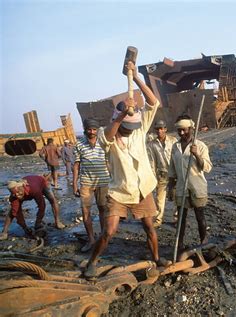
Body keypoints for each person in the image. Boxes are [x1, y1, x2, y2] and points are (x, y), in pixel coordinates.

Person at [83, 61, 170, 279]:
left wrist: (136, 76)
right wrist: (122, 115)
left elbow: (153, 102)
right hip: (120, 191)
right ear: (118, 122)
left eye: (132, 126)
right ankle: (92, 262)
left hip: (142, 189)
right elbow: (110, 135)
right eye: (126, 127)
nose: (130, 131)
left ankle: (157, 258)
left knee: (150, 227)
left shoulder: (140, 131)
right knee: (109, 231)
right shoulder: (107, 136)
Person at [168, 114, 213, 253]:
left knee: (200, 216)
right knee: (181, 218)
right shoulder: (175, 147)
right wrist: (171, 187)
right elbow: (172, 170)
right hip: (182, 188)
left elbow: (207, 167)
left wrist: (197, 155)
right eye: (179, 130)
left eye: (185, 130)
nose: (182, 133)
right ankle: (179, 245)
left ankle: (204, 242)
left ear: (191, 128)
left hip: (197, 187)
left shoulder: (200, 146)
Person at [73, 118, 110, 252]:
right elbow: (76, 165)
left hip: (103, 181)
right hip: (86, 183)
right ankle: (91, 239)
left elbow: (108, 162)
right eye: (89, 129)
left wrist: (113, 179)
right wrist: (74, 184)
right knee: (85, 211)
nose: (92, 132)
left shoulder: (103, 143)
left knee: (103, 209)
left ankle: (102, 238)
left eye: (94, 129)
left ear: (98, 130)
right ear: (85, 130)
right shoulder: (79, 144)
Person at [0, 175, 65, 240]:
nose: (17, 195)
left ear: (23, 187)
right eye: (14, 193)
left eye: (18, 191)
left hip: (40, 182)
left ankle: (57, 222)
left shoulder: (34, 189)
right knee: (13, 210)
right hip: (30, 184)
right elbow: (16, 213)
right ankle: (4, 232)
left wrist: (38, 223)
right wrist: (24, 227)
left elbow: (42, 206)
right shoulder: (14, 197)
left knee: (52, 200)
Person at [146, 120, 177, 227]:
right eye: (157, 129)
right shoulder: (152, 144)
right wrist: (153, 177)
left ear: (165, 129)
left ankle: (177, 219)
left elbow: (177, 156)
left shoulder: (173, 141)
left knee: (176, 197)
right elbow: (152, 162)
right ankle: (158, 220)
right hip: (162, 175)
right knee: (159, 199)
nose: (159, 131)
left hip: (175, 173)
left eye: (161, 128)